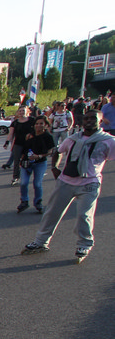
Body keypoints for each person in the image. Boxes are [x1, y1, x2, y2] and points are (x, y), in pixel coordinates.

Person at [21, 109, 115, 263]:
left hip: (89, 183)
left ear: (100, 121)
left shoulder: (108, 141)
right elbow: (58, 151)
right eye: (86, 118)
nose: (89, 121)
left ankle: (84, 245)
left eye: (93, 118)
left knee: (84, 215)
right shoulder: (73, 138)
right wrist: (55, 167)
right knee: (52, 213)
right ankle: (41, 242)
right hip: (66, 181)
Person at [17, 116, 55, 214]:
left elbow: (50, 151)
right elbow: (24, 149)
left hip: (40, 163)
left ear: (45, 125)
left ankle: (38, 202)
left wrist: (39, 156)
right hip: (27, 162)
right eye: (37, 124)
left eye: (41, 123)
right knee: (23, 183)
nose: (38, 126)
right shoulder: (29, 135)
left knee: (37, 184)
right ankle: (24, 201)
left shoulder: (48, 136)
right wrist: (21, 160)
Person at [5, 106, 34, 186]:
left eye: (23, 111)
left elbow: (36, 129)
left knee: (29, 159)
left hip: (29, 143)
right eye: (20, 111)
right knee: (17, 160)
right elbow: (11, 134)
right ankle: (15, 177)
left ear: (27, 111)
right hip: (18, 143)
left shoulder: (31, 120)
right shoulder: (15, 122)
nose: (21, 112)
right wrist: (7, 142)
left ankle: (30, 174)